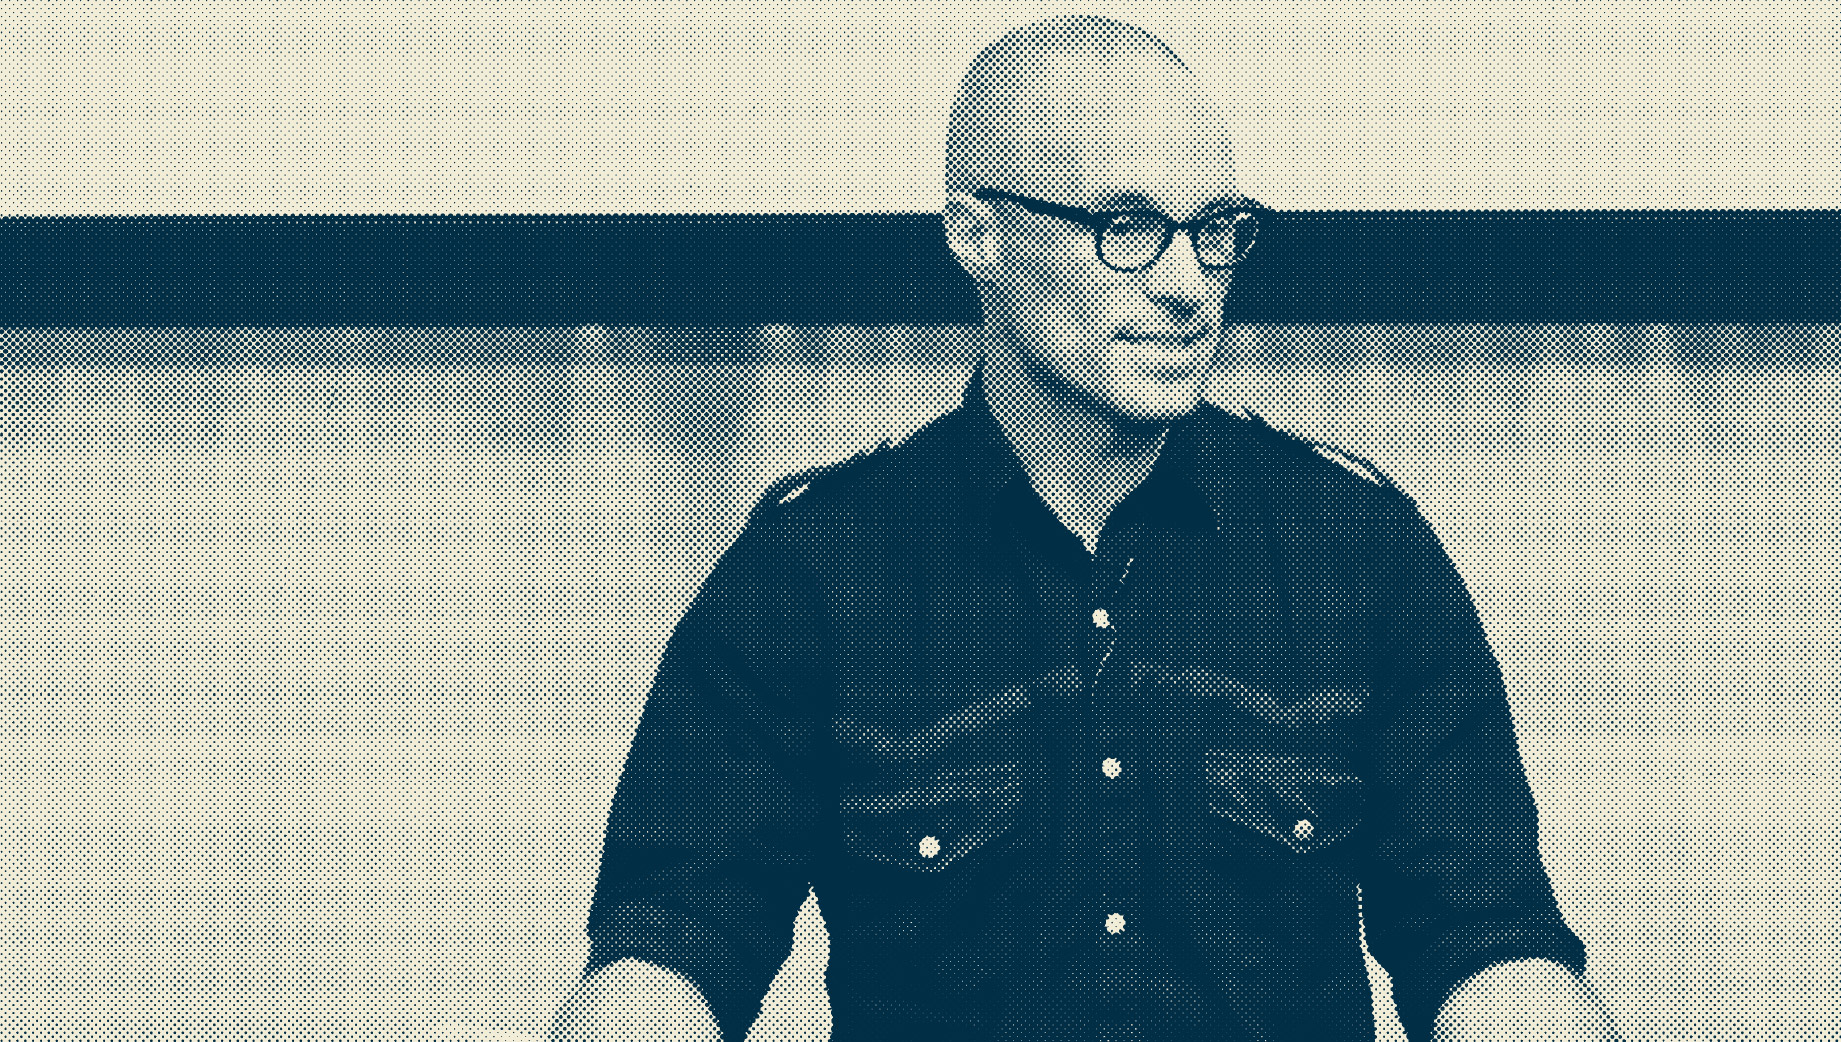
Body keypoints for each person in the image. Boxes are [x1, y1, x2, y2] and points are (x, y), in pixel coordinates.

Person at [550, 16, 1621, 1042]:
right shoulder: (811, 570)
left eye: (1214, 231)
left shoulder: (1359, 549)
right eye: (1127, 229)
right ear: (977, 235)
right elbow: (672, 946)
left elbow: (1485, 944)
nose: (1187, 285)